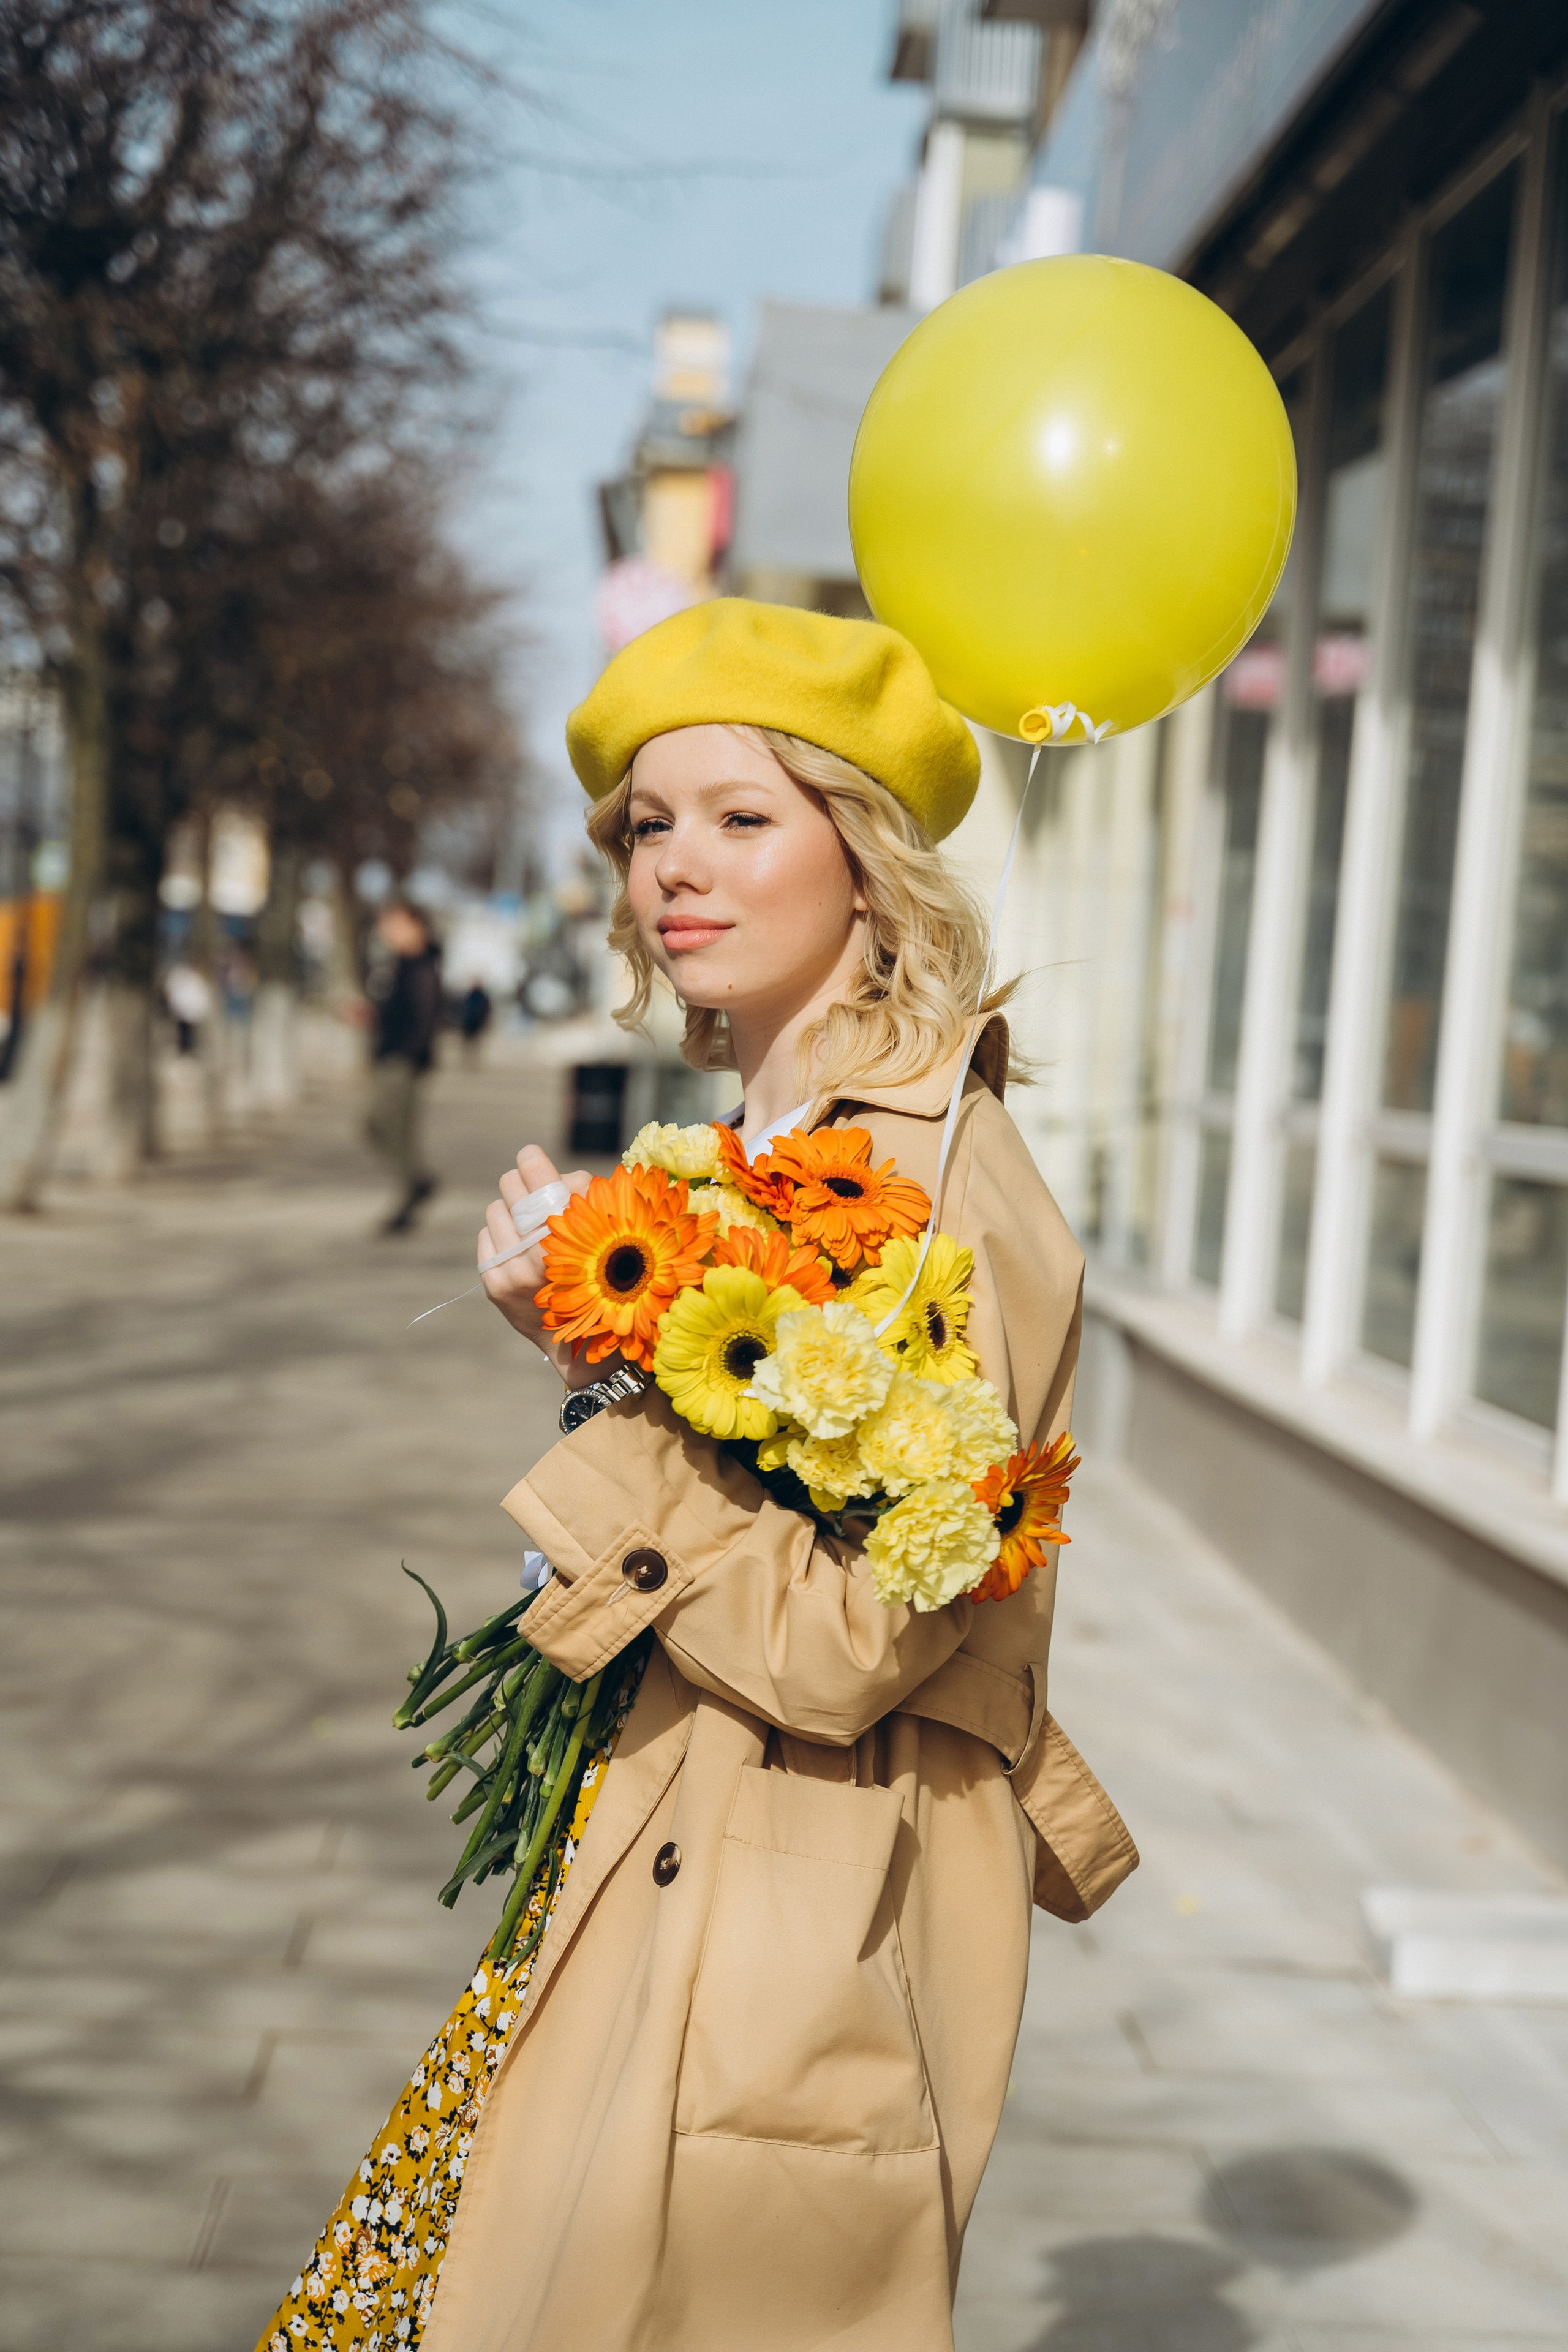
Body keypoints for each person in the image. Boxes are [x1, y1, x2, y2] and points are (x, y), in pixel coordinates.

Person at [257, 601, 1137, 2352]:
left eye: (745, 818)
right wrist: (601, 1352)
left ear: (868, 862)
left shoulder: (939, 1190)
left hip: (796, 1892)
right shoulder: (764, 1146)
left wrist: (606, 1399)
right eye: (653, 825)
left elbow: (853, 1643)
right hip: (662, 1836)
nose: (679, 867)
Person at [365, 897, 442, 1234]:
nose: (386, 931)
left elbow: (426, 1017)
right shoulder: (402, 963)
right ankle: (413, 1187)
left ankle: (415, 1184)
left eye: (393, 923)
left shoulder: (420, 965)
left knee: (382, 1123)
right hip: (395, 1057)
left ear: (415, 924)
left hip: (402, 1060)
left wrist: (413, 1055)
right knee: (392, 1128)